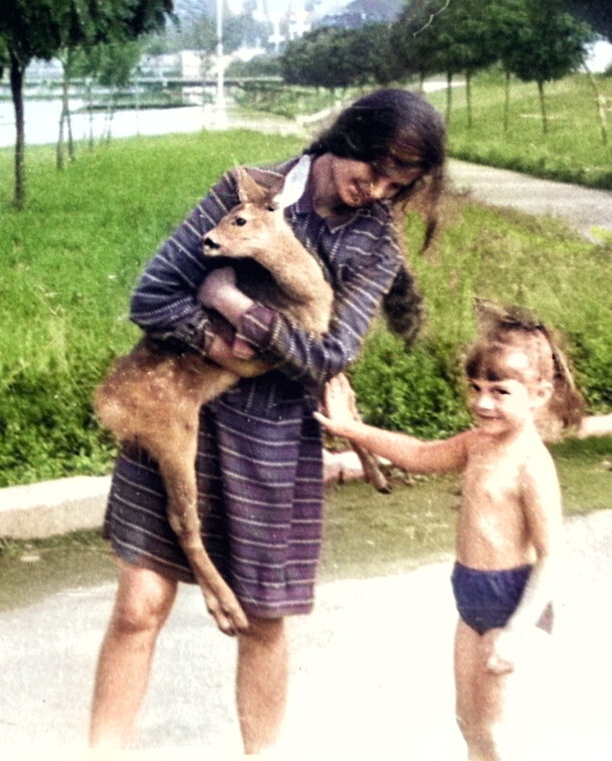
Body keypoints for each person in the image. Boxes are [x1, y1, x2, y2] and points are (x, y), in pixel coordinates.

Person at [89, 88, 447, 753]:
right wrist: (214, 341)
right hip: (177, 403)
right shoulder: (248, 188)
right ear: (350, 135)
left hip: (275, 436)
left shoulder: (375, 242)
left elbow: (332, 353)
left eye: (398, 186)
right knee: (140, 602)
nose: (376, 191)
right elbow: (152, 295)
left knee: (263, 618)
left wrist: (235, 306)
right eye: (373, 171)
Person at [314, 302, 585, 761]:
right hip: (471, 602)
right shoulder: (477, 444)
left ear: (539, 394)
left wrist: (516, 632)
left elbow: (552, 557)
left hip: (511, 603)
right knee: (469, 725)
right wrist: (351, 429)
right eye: (476, 388)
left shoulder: (532, 465)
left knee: (498, 735)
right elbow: (420, 455)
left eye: (500, 391)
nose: (482, 402)